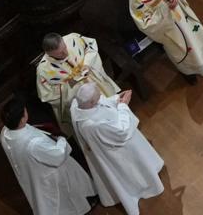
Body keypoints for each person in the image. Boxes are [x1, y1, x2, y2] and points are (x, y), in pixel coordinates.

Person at [70, 85, 163, 215]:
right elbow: (121, 131)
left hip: (106, 141)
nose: (100, 98)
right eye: (97, 97)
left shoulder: (76, 106)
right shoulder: (92, 125)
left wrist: (116, 99)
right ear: (91, 102)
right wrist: (124, 105)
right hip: (116, 150)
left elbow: (101, 103)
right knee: (133, 170)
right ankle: (144, 185)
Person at [0, 101, 96, 215]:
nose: (27, 112)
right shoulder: (32, 144)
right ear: (22, 120)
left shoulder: (4, 133)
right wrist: (61, 138)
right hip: (50, 173)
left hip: (30, 173)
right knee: (65, 198)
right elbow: (58, 154)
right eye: (25, 111)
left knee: (44, 200)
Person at [34, 33, 118, 136]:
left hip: (97, 86)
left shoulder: (73, 38)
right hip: (80, 103)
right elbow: (47, 96)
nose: (65, 53)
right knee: (98, 130)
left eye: (64, 47)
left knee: (114, 113)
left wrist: (87, 63)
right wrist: (70, 84)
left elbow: (91, 47)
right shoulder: (43, 70)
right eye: (60, 53)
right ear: (49, 53)